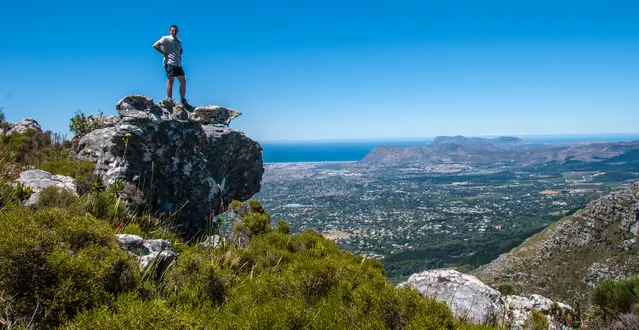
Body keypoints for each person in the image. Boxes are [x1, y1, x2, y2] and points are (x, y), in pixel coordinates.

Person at [153, 25, 191, 107]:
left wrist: (179, 53)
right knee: (171, 80)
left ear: (177, 32)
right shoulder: (166, 38)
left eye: (175, 31)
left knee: (183, 81)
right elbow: (155, 45)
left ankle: (183, 100)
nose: (174, 32)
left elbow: (180, 50)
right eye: (172, 30)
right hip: (169, 62)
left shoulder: (179, 41)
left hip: (178, 63)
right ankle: (170, 100)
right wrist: (164, 53)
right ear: (170, 31)